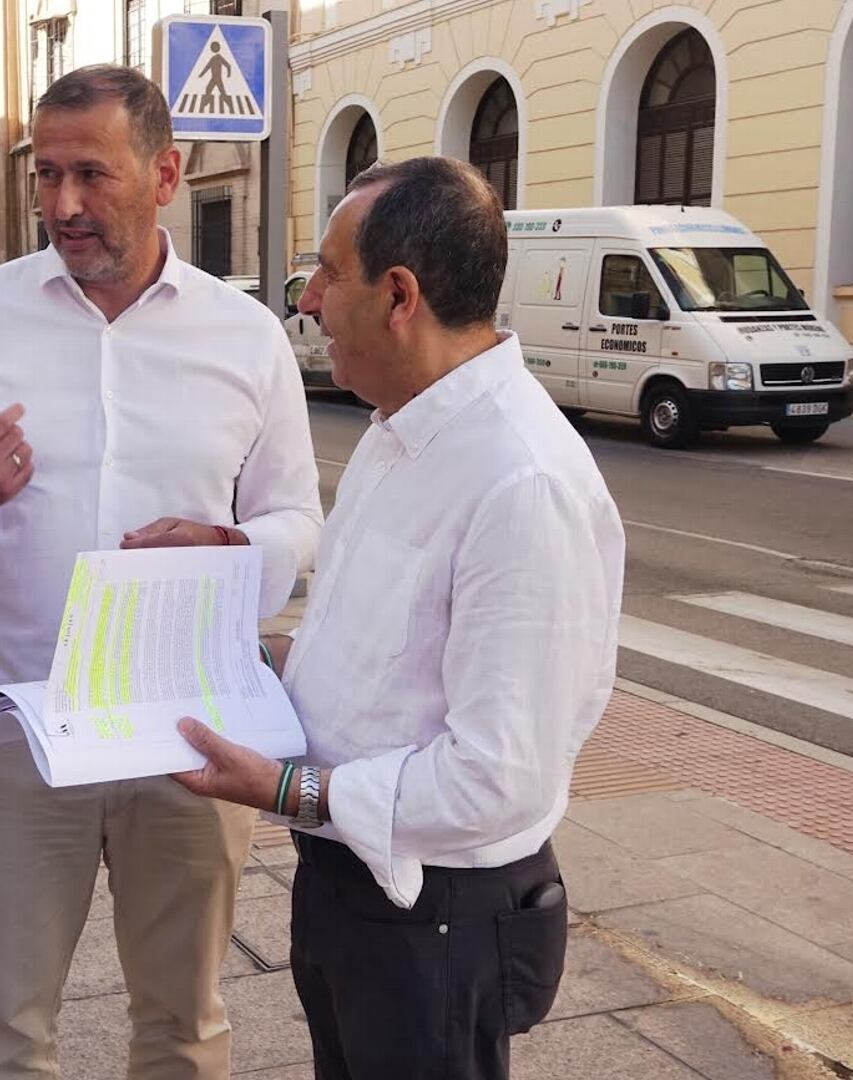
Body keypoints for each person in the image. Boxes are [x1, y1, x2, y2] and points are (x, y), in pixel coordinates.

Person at [0, 65, 322, 1079]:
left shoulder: (244, 337)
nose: (64, 205)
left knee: (184, 1026)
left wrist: (237, 548)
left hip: (192, 732)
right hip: (15, 727)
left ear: (165, 173)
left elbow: (300, 517)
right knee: (6, 1031)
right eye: (48, 175)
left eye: (93, 175)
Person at [171, 157, 625, 1080]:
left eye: (329, 272)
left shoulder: (521, 479)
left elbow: (497, 778)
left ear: (400, 295)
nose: (308, 300)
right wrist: (237, 649)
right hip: (353, 883)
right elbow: (376, 651)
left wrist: (285, 790)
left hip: (439, 915)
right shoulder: (399, 430)